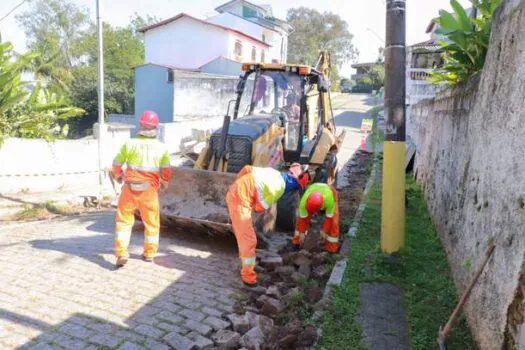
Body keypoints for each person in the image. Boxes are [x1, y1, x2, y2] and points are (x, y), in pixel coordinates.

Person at [226, 163, 310, 288]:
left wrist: (237, 185)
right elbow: (259, 208)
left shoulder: (273, 172)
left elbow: (246, 168)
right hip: (240, 201)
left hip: (238, 193)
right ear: (294, 184)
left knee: (246, 236)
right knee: (249, 241)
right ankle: (248, 278)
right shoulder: (279, 189)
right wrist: (250, 203)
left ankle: (248, 266)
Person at [112, 110, 172, 268]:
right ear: (156, 128)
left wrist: (118, 175)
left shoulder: (129, 143)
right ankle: (149, 254)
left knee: (124, 221)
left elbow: (116, 164)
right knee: (151, 222)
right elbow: (166, 170)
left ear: (140, 125)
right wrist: (164, 182)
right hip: (149, 191)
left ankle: (121, 252)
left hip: (129, 188)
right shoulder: (161, 148)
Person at [292, 182, 340, 253]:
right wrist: (301, 232)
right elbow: (302, 220)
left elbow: (329, 218)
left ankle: (331, 249)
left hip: (330, 191)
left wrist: (324, 231)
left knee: (334, 222)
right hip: (313, 190)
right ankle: (296, 243)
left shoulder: (329, 200)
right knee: (300, 222)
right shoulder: (303, 202)